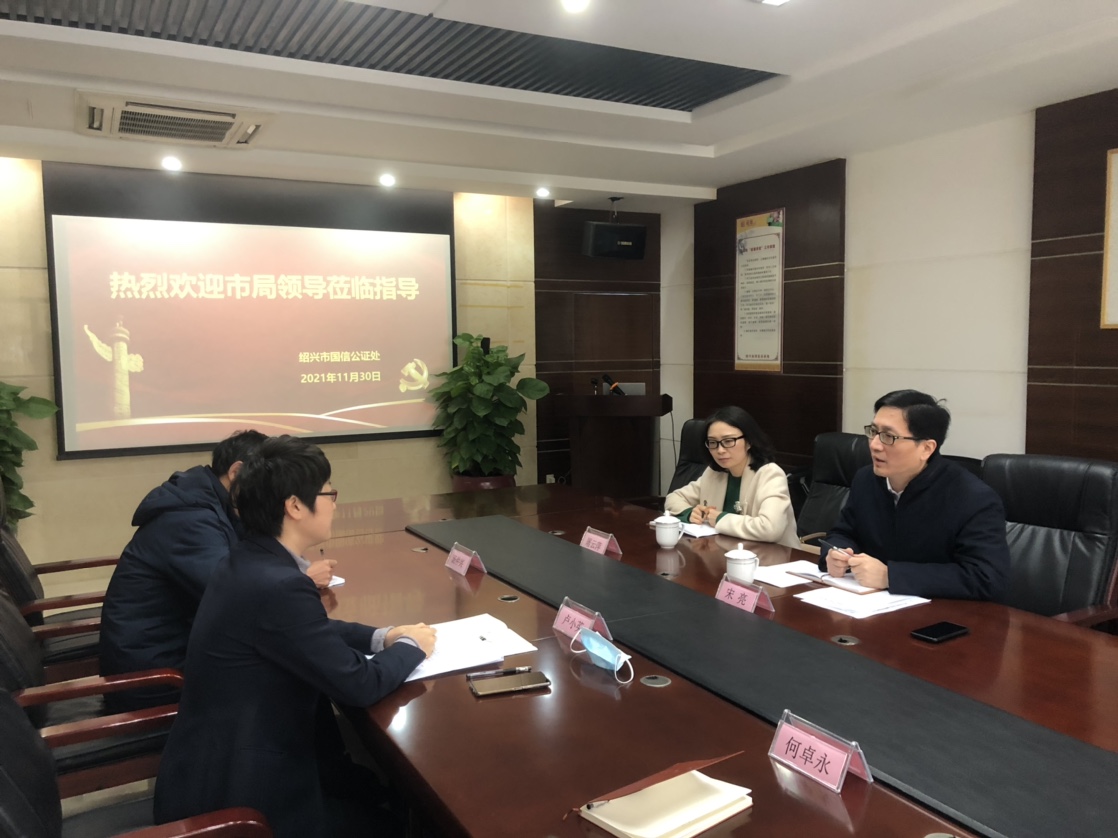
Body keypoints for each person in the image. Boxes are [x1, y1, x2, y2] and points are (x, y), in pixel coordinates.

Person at [153, 435, 436, 838]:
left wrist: (382, 636)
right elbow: (359, 684)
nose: (335, 503)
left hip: (211, 769)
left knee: (371, 795)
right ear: (295, 506)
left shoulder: (248, 558)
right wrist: (413, 646)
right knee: (393, 825)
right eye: (328, 493)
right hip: (245, 802)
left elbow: (303, 631)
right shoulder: (279, 585)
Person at [99, 430, 337, 710]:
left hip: (179, 649)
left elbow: (252, 563)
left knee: (299, 656)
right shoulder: (189, 518)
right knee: (295, 669)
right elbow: (233, 595)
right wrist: (301, 579)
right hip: (156, 676)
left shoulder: (211, 503)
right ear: (236, 472)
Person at [819, 389, 1010, 600]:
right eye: (873, 431)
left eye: (888, 436)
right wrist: (836, 553)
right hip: (866, 605)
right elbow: (843, 532)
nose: (874, 445)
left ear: (926, 448)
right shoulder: (866, 480)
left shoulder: (973, 498)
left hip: (940, 613)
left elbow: (986, 577)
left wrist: (890, 576)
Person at [664, 406, 799, 548]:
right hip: (723, 553)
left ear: (749, 441)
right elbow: (673, 498)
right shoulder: (714, 473)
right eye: (713, 442)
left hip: (772, 556)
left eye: (728, 441)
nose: (720, 450)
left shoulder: (770, 474)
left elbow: (770, 529)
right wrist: (690, 513)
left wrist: (719, 518)